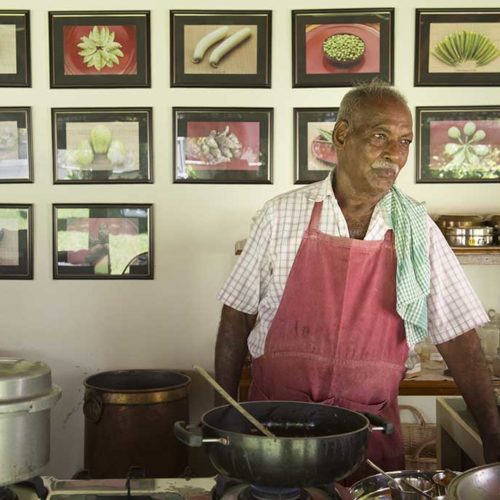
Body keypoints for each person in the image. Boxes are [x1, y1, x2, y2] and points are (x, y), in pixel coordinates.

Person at [215, 81, 500, 481]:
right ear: (343, 135)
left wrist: (492, 435)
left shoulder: (416, 228)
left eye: (404, 141)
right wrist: (223, 418)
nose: (393, 154)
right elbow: (236, 315)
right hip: (275, 432)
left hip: (368, 440)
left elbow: (459, 336)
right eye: (380, 136)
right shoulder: (281, 216)